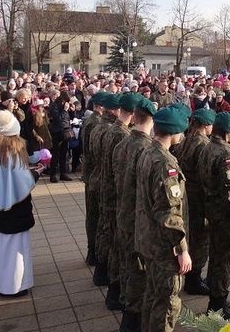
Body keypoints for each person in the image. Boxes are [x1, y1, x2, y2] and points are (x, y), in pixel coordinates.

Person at [136, 106, 191, 332]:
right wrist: (182, 250)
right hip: (163, 246)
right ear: (174, 132)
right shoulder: (165, 164)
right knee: (167, 302)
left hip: (148, 240)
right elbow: (168, 213)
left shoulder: (148, 152)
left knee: (152, 295)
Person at [0, 110, 44, 297]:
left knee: (5, 246)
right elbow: (22, 183)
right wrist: (36, 173)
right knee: (16, 249)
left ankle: (6, 283)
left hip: (1, 208)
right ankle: (14, 286)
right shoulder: (12, 155)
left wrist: (28, 170)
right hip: (17, 210)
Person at [114, 96, 156, 332]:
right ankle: (131, 320)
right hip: (139, 218)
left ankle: (126, 308)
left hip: (123, 211)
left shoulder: (123, 143)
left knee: (127, 263)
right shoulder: (147, 149)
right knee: (138, 270)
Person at [199, 111, 230, 318]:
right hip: (224, 216)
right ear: (229, 132)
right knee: (225, 260)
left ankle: (216, 301)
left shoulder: (207, 147)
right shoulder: (227, 155)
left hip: (210, 210)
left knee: (216, 256)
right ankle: (218, 305)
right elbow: (229, 193)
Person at [99, 93, 138, 310]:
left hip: (108, 191)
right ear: (132, 114)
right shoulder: (121, 135)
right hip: (117, 197)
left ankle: (113, 290)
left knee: (113, 242)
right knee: (119, 247)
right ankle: (115, 293)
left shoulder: (110, 130)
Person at [174, 107, 215, 296]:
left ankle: (190, 275)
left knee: (190, 235)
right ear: (205, 125)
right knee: (201, 239)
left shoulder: (184, 140)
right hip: (198, 198)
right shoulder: (203, 145)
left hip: (185, 196)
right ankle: (194, 278)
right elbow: (206, 176)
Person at [88, 93, 120, 286]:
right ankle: (102, 269)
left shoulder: (99, 126)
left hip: (98, 179)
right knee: (107, 228)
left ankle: (99, 266)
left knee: (102, 224)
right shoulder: (109, 130)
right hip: (106, 183)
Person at [80, 91, 106, 267]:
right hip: (94, 173)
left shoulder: (91, 120)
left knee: (92, 214)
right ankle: (93, 251)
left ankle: (93, 251)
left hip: (90, 173)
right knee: (94, 215)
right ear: (100, 106)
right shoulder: (96, 122)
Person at [48, 91, 72, 183]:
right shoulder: (54, 106)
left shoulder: (63, 107)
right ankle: (53, 174)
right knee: (56, 154)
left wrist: (70, 111)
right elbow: (58, 118)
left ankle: (63, 173)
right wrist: (65, 110)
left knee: (64, 154)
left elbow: (67, 119)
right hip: (57, 132)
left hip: (65, 131)